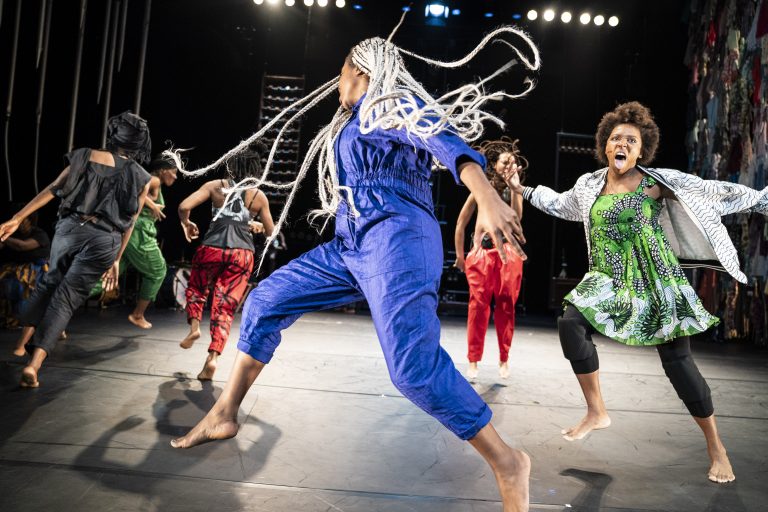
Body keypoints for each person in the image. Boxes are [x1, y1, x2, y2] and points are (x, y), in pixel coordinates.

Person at [170, 27, 541, 512]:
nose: (336, 81)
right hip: (351, 242)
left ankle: (508, 461)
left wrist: (487, 195)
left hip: (399, 239)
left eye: (341, 70)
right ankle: (224, 412)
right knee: (265, 300)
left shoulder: (392, 105)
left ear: (360, 70)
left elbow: (444, 141)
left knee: (412, 370)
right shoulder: (351, 121)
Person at [514, 101, 768, 484]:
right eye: (616, 138)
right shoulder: (589, 185)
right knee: (570, 323)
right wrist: (522, 189)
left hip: (656, 281)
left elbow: (712, 192)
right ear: (605, 144)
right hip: (608, 279)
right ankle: (596, 411)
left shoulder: (655, 183)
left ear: (641, 150)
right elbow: (561, 204)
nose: (622, 144)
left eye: (631, 140)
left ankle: (716, 446)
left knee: (678, 364)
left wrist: (761, 199)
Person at [0, 111, 152, 388]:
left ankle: (21, 345)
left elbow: (53, 188)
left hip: (71, 229)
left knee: (48, 284)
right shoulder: (142, 177)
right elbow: (129, 223)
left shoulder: (85, 155)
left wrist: (18, 217)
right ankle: (34, 366)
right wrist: (117, 260)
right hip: (106, 239)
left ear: (113, 135)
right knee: (66, 299)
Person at [177, 145, 275, 381]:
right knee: (225, 307)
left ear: (231, 165)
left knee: (197, 289)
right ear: (254, 169)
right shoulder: (258, 196)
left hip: (212, 249)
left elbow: (184, 207)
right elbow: (271, 232)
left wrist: (186, 223)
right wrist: (256, 225)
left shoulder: (214, 186)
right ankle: (212, 358)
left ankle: (194, 329)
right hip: (241, 255)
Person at [454, 137, 527, 380]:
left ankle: (504, 359)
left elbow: (517, 218)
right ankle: (473, 360)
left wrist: (515, 188)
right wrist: (460, 255)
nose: (509, 166)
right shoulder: (481, 190)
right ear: (494, 164)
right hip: (483, 254)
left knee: (506, 305)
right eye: (505, 162)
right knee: (478, 306)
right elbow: (461, 223)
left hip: (508, 254)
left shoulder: (515, 189)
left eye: (513, 163)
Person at [90, 154, 179, 328]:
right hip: (138, 236)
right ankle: (138, 314)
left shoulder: (152, 181)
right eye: (173, 172)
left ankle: (60, 308)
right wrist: (152, 205)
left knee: (106, 279)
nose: (175, 177)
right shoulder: (154, 180)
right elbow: (133, 191)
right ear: (162, 170)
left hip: (130, 237)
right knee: (158, 270)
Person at [0, 211, 50, 330]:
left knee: (22, 284)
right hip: (15, 266)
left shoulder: (39, 234)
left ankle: (24, 318)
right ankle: (10, 316)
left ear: (30, 222)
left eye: (23, 222)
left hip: (37, 268)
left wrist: (4, 238)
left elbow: (22, 246)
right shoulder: (14, 233)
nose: (21, 225)